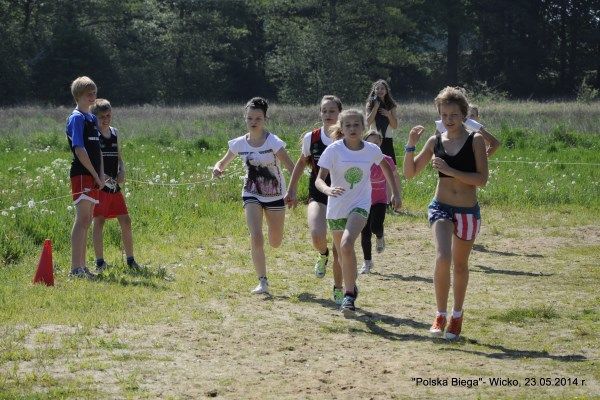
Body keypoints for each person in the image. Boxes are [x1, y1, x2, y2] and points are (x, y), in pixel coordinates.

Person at [403, 86, 489, 340]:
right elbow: (410, 173)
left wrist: (450, 171)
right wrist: (410, 145)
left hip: (467, 211)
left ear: (464, 114)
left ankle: (457, 315)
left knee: (460, 265)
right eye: (444, 115)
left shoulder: (475, 140)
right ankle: (440, 314)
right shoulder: (435, 141)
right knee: (443, 257)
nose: (448, 119)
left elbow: (481, 180)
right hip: (440, 206)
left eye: (453, 115)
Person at [316, 110, 401, 315]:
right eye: (348, 125)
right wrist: (327, 189)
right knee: (341, 254)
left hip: (360, 204)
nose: (352, 128)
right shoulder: (333, 150)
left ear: (363, 127)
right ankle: (350, 286)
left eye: (356, 125)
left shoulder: (371, 150)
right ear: (342, 128)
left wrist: (395, 193)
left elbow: (386, 168)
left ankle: (349, 296)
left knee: (346, 244)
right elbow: (319, 179)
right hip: (337, 206)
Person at [213, 97, 294, 294]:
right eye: (250, 118)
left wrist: (292, 191)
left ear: (265, 119)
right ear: (245, 118)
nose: (253, 122)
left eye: (258, 118)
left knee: (275, 241)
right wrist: (217, 169)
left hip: (275, 194)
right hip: (251, 193)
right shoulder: (239, 144)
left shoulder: (273, 142)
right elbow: (222, 163)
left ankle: (274, 238)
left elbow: (292, 167)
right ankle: (262, 281)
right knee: (256, 236)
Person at [284, 95, 344, 304]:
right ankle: (322, 254)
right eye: (324, 111)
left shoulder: (348, 136)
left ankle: (339, 288)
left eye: (332, 111)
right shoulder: (312, 137)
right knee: (317, 235)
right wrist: (291, 190)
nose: (328, 115)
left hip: (342, 195)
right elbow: (302, 163)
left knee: (340, 249)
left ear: (340, 113)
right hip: (318, 191)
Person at [90, 99, 141, 272]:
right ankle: (99, 262)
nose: (106, 119)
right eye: (102, 117)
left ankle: (131, 260)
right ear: (95, 117)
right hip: (100, 186)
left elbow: (119, 157)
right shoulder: (93, 134)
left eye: (108, 116)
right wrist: (100, 176)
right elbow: (92, 160)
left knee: (126, 220)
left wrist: (122, 171)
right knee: (99, 221)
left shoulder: (115, 132)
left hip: (114, 186)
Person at [65, 76, 105, 279]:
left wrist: (101, 174)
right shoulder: (76, 118)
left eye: (94, 92)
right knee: (82, 219)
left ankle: (83, 266)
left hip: (94, 176)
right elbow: (80, 150)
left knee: (88, 219)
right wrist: (94, 175)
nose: (93, 96)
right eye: (89, 93)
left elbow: (97, 150)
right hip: (82, 173)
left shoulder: (92, 118)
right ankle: (75, 269)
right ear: (78, 95)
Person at [359, 130, 402, 274]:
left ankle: (380, 236)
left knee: (376, 227)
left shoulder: (387, 160)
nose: (374, 146)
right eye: (370, 143)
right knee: (365, 232)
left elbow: (394, 176)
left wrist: (396, 194)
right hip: (363, 201)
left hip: (380, 200)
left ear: (381, 143)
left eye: (377, 143)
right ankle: (367, 263)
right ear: (364, 143)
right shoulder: (360, 159)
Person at [435, 102, 501, 157]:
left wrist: (482, 158)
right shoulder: (448, 127)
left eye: (472, 115)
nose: (468, 118)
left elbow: (494, 144)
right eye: (466, 116)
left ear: (477, 118)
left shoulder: (478, 131)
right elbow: (434, 144)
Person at [365, 79, 399, 164]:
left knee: (390, 166)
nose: (380, 90)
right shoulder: (370, 104)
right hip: (373, 139)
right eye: (377, 88)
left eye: (382, 88)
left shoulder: (391, 106)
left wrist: (388, 115)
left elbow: (395, 126)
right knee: (372, 166)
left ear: (386, 91)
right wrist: (375, 108)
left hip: (387, 139)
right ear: (374, 90)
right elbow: (367, 123)